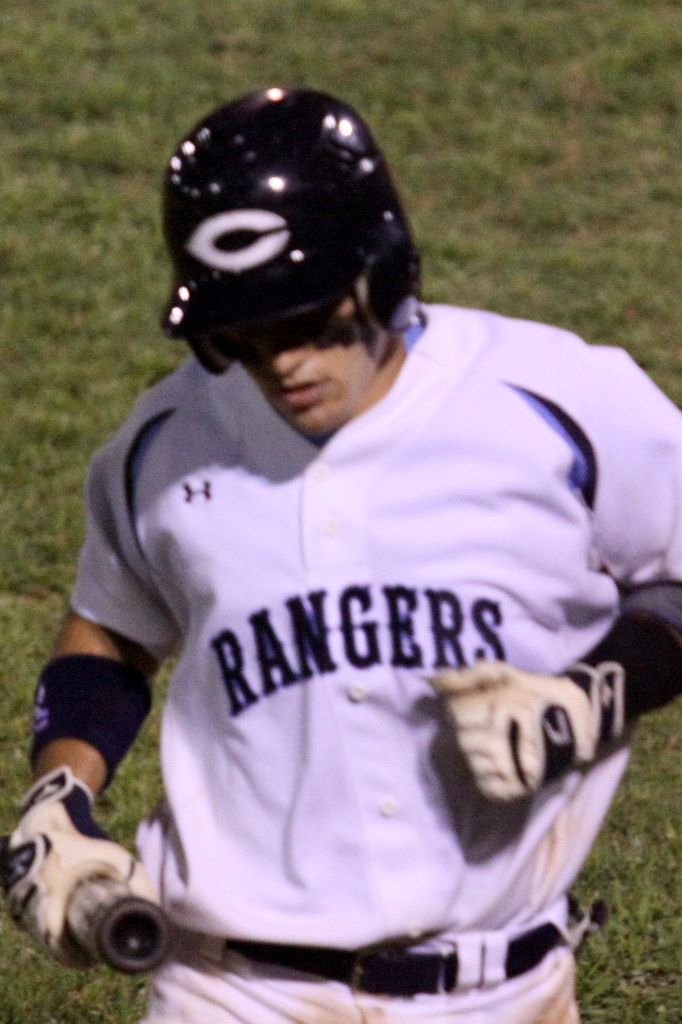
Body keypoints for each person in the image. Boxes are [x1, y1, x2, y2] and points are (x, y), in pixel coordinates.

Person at [3, 86, 682, 1024]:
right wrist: (59, 791)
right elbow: (109, 635)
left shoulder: (556, 401)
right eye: (246, 332)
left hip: (502, 991)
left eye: (308, 319)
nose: (282, 360)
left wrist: (596, 690)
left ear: (385, 271)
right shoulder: (165, 444)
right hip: (230, 992)